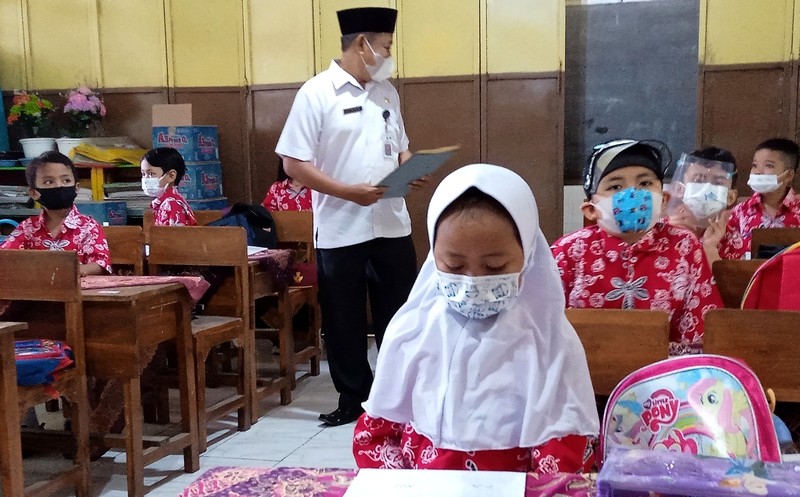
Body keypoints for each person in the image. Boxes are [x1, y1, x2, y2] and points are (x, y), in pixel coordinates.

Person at [353, 164, 599, 472]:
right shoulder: (413, 331)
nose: (472, 282)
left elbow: (563, 451)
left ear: (528, 257)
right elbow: (377, 435)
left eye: (495, 267)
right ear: (433, 256)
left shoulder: (550, 340)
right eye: (454, 267)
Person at [276, 7, 424, 427]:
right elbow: (293, 163)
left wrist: (410, 169)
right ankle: (353, 398)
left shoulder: (387, 92)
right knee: (344, 317)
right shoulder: (317, 93)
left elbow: (401, 147)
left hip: (393, 223)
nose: (389, 56)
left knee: (398, 314)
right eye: (386, 47)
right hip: (342, 225)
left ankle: (397, 397)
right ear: (362, 44)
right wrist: (347, 193)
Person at [551, 139, 723, 356]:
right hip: (581, 378)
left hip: (663, 378)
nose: (632, 194)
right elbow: (544, 330)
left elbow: (699, 333)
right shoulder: (567, 251)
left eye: (644, 184)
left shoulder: (685, 247)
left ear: (663, 200)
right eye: (615, 186)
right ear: (590, 210)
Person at [1, 150, 110, 275]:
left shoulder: (89, 227)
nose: (59, 186)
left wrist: (77, 271)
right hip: (37, 291)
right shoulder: (28, 228)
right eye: (49, 182)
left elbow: (100, 263)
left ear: (76, 188)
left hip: (79, 289)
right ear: (34, 193)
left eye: (66, 181)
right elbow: (5, 257)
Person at [713, 138, 800, 260]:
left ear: (788, 175)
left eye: (769, 165)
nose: (758, 172)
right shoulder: (739, 213)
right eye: (754, 165)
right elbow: (727, 259)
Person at [664, 147, 738, 264]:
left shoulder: (733, 239)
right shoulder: (662, 231)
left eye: (718, 183)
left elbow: (731, 282)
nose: (707, 188)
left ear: (730, 197)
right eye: (698, 181)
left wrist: (710, 248)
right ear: (679, 188)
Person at [141, 147, 197, 226]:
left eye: (151, 174)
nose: (145, 179)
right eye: (143, 174)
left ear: (171, 176)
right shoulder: (165, 202)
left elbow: (171, 237)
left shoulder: (171, 204)